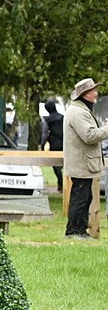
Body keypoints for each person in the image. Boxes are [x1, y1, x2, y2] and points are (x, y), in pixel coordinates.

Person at [62, 78, 108, 239]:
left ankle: (79, 230)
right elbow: (89, 136)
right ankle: (74, 231)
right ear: (86, 94)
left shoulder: (79, 110)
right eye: (94, 90)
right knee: (80, 198)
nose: (97, 93)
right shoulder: (79, 112)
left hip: (82, 162)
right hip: (82, 163)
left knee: (83, 197)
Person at [40, 98, 64, 187]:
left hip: (54, 144)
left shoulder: (47, 120)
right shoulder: (63, 117)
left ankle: (60, 183)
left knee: (56, 164)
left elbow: (44, 134)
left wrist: (42, 145)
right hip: (65, 143)